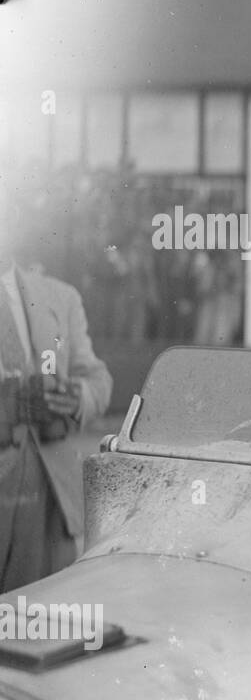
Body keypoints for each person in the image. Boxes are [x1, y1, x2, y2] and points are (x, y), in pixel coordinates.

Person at [1, 249, 113, 593]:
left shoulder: (60, 296)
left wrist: (77, 396)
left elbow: (97, 379)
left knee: (46, 622)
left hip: (52, 500)